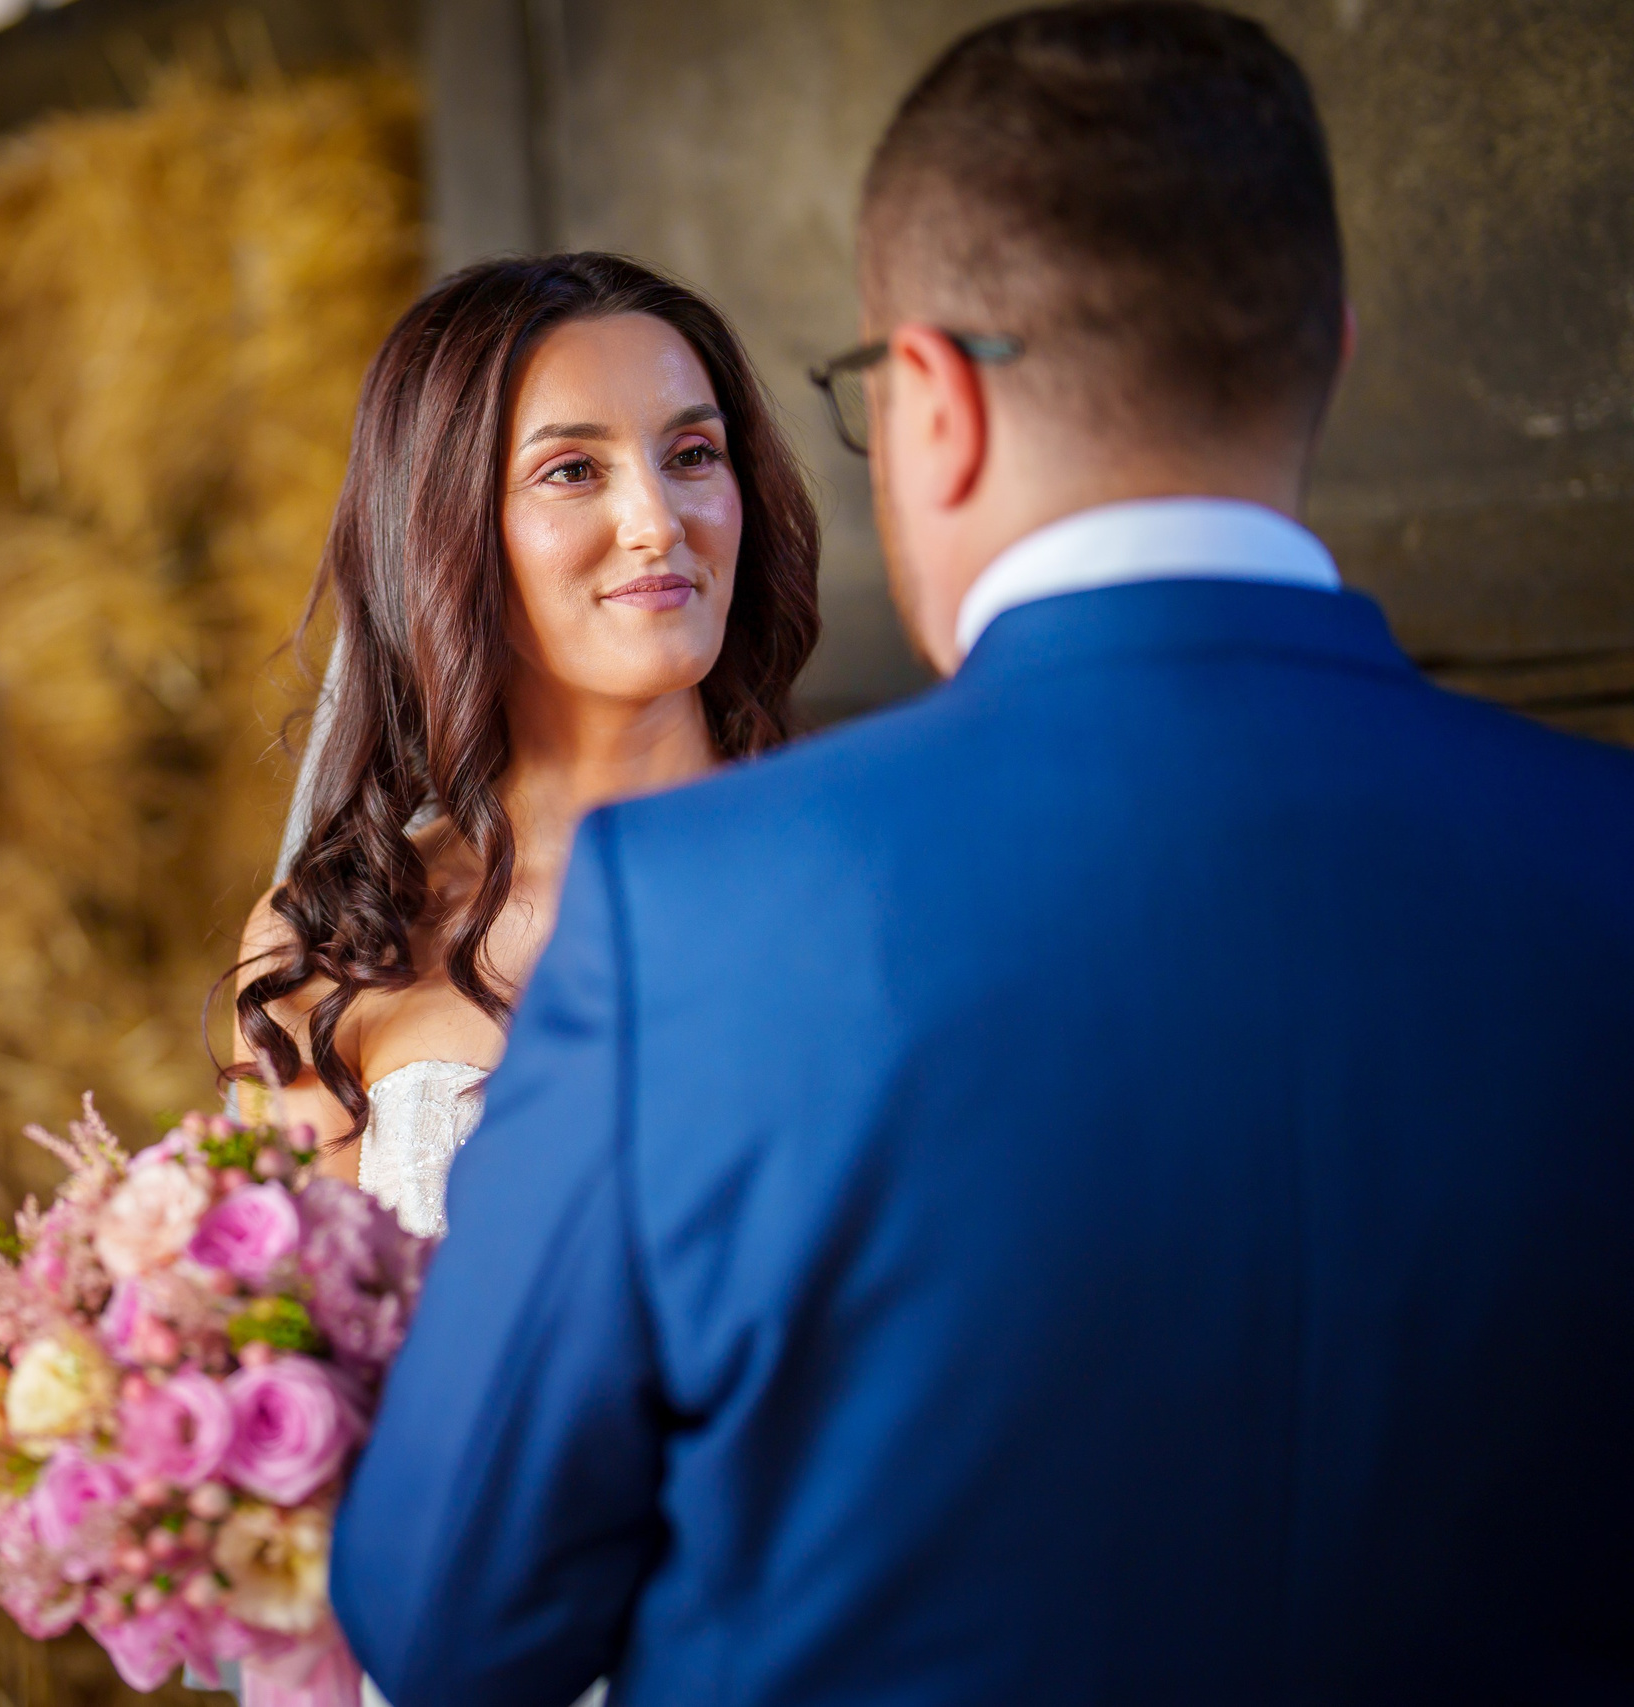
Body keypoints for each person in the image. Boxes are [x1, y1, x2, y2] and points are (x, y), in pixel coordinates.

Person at [331, 5, 1634, 1704]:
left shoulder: (702, 914)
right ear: (1332, 347)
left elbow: (448, 1616)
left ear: (930, 401)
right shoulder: (1602, 864)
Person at [228, 253, 821, 1240]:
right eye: (573, 470)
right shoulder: (331, 943)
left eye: (692, 455)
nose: (657, 522)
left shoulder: (861, 868)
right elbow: (302, 1342)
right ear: (445, 529)